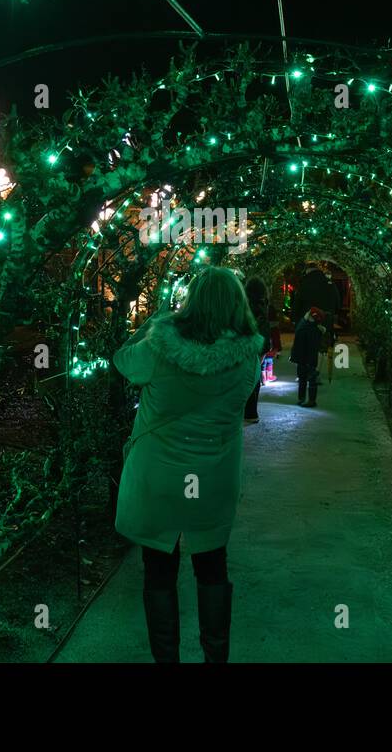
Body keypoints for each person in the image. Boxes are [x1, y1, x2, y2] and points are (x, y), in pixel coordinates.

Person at [113, 266, 265, 662]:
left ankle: (168, 660)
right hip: (213, 477)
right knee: (212, 565)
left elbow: (123, 362)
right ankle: (216, 657)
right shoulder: (248, 356)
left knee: (158, 569)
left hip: (157, 476)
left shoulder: (159, 346)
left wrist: (153, 321)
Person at [242, 277, 271, 424]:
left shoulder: (246, 305)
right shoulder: (264, 302)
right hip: (262, 342)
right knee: (255, 375)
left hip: (250, 343)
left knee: (247, 375)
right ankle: (252, 412)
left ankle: (247, 411)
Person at [291, 306, 326, 407]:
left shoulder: (304, 325)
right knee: (310, 379)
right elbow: (312, 346)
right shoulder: (312, 328)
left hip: (303, 357)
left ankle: (303, 399)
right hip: (308, 357)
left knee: (304, 378)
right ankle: (310, 400)